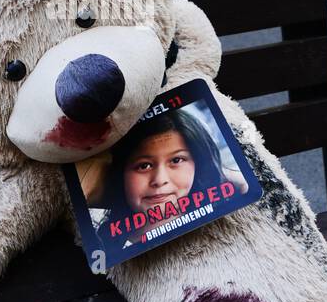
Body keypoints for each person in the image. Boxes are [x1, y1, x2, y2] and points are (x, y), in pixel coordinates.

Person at [89, 107, 246, 252]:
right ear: (120, 173)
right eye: (144, 166)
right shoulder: (105, 247)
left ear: (197, 164)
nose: (160, 180)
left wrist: (222, 175)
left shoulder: (223, 218)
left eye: (176, 160)